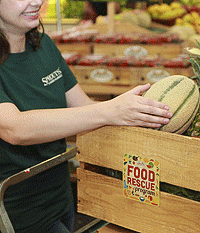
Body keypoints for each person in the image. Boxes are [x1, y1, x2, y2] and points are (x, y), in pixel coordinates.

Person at [0, 0, 172, 232]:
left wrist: (136, 110)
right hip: (18, 215)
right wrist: (110, 110)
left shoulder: (44, 46)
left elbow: (84, 107)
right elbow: (15, 128)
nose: (37, 1)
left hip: (62, 200)